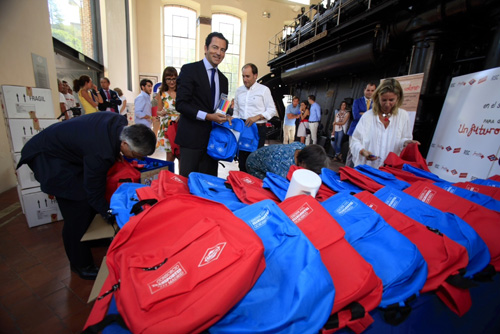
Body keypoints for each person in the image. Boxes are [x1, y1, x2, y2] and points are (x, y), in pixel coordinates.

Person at [17, 112, 156, 280]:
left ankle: (90, 238)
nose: (136, 158)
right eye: (136, 155)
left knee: (86, 200)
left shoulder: (118, 122)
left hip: (67, 152)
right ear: (125, 144)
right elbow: (94, 193)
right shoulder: (100, 153)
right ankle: (80, 264)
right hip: (48, 158)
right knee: (76, 209)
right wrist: (109, 214)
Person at [175, 32, 229, 177]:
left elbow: (221, 107)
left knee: (209, 185)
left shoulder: (224, 80)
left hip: (213, 143)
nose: (218, 53)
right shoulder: (189, 70)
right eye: (215, 47)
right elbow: (181, 104)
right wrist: (208, 117)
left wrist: (226, 115)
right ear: (206, 48)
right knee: (188, 183)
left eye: (222, 50)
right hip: (191, 139)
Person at [350, 78, 420, 168]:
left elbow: (403, 139)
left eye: (391, 100)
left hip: (390, 170)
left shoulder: (403, 116)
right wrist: (363, 151)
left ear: (398, 99)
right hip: (368, 168)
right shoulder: (368, 116)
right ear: (377, 98)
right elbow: (355, 141)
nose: (387, 104)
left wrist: (406, 143)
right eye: (383, 100)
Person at [228, 63, 277, 172]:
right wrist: (232, 119)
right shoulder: (239, 91)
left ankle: (252, 185)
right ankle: (242, 184)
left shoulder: (264, 90)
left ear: (255, 75)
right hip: (243, 129)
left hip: (258, 129)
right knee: (242, 162)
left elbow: (272, 110)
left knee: (254, 161)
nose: (245, 79)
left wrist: (258, 117)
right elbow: (236, 112)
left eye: (248, 76)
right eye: (243, 76)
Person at [247, 143, 329, 180]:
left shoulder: (301, 147)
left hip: (263, 155)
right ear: (303, 163)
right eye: (310, 171)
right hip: (253, 165)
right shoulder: (284, 170)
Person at [345, 82, 377, 167]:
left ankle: (357, 173)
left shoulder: (377, 104)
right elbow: (356, 116)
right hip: (354, 130)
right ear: (364, 90)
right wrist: (369, 115)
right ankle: (346, 170)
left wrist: (363, 113)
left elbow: (376, 118)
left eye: (372, 90)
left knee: (364, 152)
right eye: (368, 90)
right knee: (351, 151)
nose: (370, 92)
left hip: (369, 132)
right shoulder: (357, 101)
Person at [156, 66, 180, 162]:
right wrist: (161, 113)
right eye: (168, 79)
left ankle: (180, 177)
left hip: (180, 125)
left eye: (174, 78)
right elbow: (158, 111)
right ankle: (169, 176)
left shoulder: (182, 92)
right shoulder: (161, 93)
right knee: (170, 157)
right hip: (168, 127)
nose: (171, 82)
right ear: (164, 80)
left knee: (181, 156)